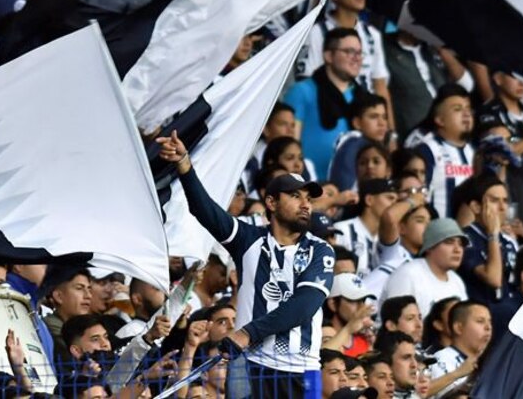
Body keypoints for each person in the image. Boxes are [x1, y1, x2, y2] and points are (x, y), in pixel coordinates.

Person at [160, 132, 335, 398]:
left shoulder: (320, 250)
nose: (305, 205)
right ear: (271, 202)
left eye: (309, 200)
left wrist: (247, 333)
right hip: (249, 366)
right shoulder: (248, 240)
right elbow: (205, 211)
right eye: (296, 196)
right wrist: (184, 165)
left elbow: (305, 304)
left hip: (303, 370)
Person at [298, 0, 391, 107]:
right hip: (332, 112)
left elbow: (380, 86)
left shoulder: (372, 34)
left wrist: (389, 128)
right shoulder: (316, 33)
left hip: (368, 117)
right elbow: (306, 82)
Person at [284, 28, 363, 180]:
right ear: (328, 55)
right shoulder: (302, 91)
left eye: (359, 53)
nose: (356, 58)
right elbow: (289, 144)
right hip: (312, 186)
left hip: (353, 187)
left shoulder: (363, 97)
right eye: (349, 51)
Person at [381, 219, 468, 319]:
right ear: (430, 247)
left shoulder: (457, 281)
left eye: (461, 244)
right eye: (449, 242)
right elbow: (396, 323)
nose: (457, 250)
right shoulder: (408, 274)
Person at [414, 84, 475, 220]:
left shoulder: (474, 151)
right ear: (440, 119)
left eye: (468, 109)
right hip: (438, 236)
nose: (466, 114)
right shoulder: (427, 151)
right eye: (457, 109)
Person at [457, 176, 515, 305]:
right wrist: (493, 234)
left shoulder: (508, 242)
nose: (502, 207)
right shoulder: (465, 238)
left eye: (505, 201)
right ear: (476, 207)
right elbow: (494, 279)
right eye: (494, 201)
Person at [333, 179, 398, 275]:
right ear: (369, 200)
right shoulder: (342, 230)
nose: (395, 205)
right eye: (390, 198)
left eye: (397, 200)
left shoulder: (391, 240)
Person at [427, 301, 491, 398]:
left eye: (489, 321)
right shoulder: (440, 359)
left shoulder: (492, 361)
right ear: (459, 328)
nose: (488, 327)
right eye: (480, 321)